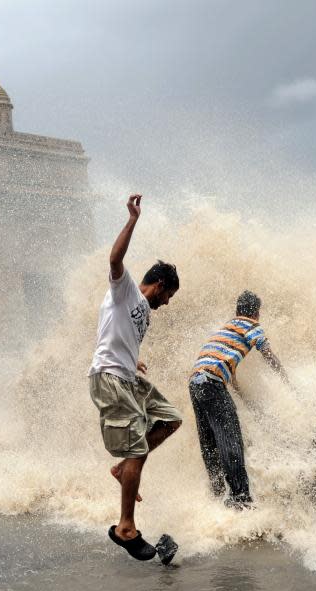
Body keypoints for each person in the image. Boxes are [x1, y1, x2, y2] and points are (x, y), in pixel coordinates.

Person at [87, 193, 183, 561]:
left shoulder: (142, 312)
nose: (168, 303)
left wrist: (136, 360)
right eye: (169, 295)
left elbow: (118, 335)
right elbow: (114, 259)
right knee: (138, 450)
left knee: (171, 419)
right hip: (110, 378)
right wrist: (133, 220)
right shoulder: (124, 291)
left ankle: (121, 467)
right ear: (158, 285)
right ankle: (125, 527)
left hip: (128, 375)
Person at [189, 290, 288, 509]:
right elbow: (267, 352)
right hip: (212, 382)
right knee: (230, 439)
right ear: (256, 312)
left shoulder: (226, 329)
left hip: (196, 382)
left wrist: (242, 396)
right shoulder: (251, 325)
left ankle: (216, 494)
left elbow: (227, 368)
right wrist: (285, 378)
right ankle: (240, 499)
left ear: (237, 309)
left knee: (209, 442)